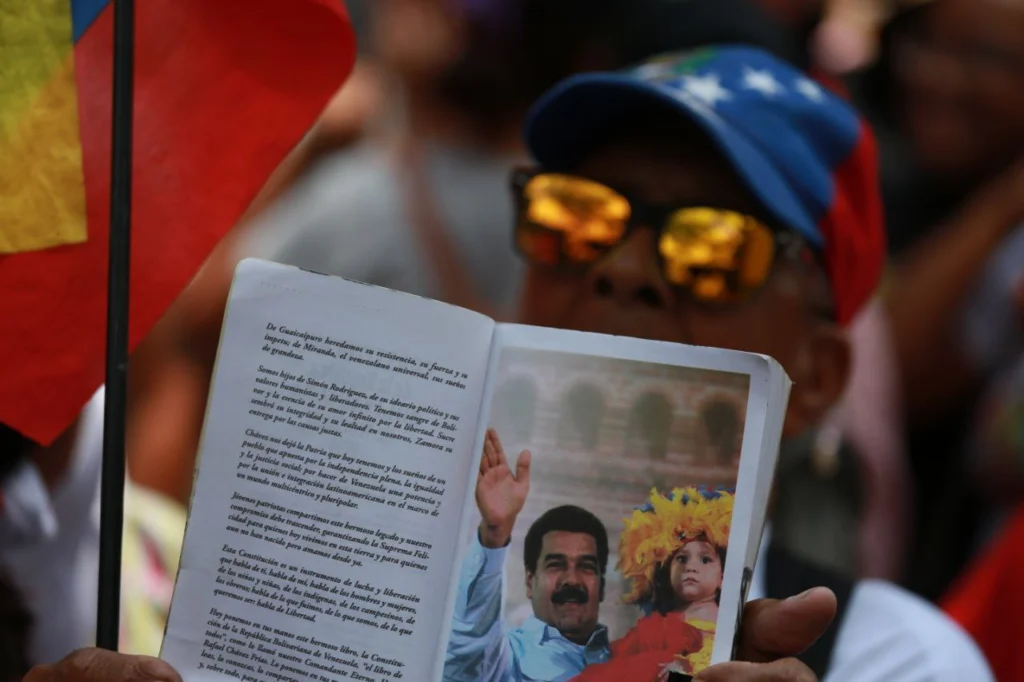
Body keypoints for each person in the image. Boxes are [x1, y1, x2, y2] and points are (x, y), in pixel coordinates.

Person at [502, 44, 991, 681]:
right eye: (575, 215)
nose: (622, 271)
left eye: (714, 247)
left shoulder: (895, 660)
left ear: (818, 377)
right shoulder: (366, 564)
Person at [574, 487, 735, 680]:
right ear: (666, 574)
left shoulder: (720, 622)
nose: (691, 567)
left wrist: (681, 669)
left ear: (723, 578)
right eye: (681, 559)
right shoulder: (657, 624)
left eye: (705, 559)